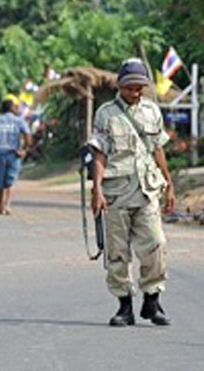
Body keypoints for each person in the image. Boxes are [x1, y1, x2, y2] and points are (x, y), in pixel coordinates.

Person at [88, 58, 175, 327]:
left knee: (156, 244)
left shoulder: (152, 111)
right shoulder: (106, 113)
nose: (135, 93)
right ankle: (124, 306)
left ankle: (152, 300)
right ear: (120, 86)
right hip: (116, 191)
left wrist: (169, 183)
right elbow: (99, 153)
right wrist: (97, 189)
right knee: (118, 252)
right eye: (130, 88)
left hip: (148, 189)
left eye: (140, 88)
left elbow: (158, 148)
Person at [0, 99, 32, 215]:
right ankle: (8, 206)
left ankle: (1, 207)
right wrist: (24, 149)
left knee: (0, 182)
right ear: (13, 109)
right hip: (14, 154)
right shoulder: (19, 121)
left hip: (0, 155)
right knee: (10, 181)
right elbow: (27, 134)